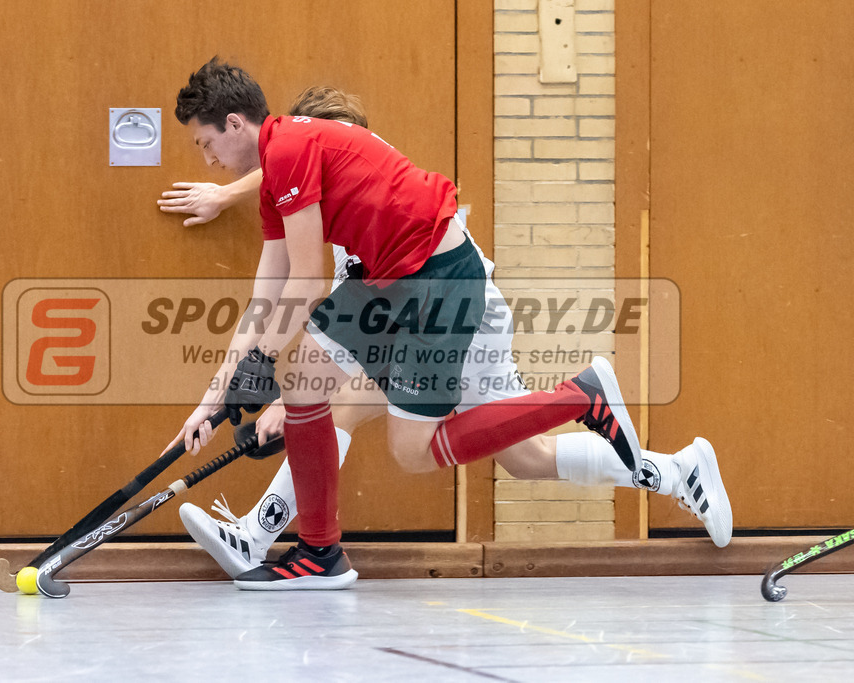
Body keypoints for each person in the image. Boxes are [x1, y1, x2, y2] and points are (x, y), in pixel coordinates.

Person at [160, 86, 732, 579]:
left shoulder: (372, 208)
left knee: (346, 414)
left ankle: (265, 538)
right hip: (419, 318)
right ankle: (677, 472)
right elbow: (294, 305)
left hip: (463, 321)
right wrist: (221, 399)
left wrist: (288, 401)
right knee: (525, 459)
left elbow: (337, 334)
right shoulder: (326, 219)